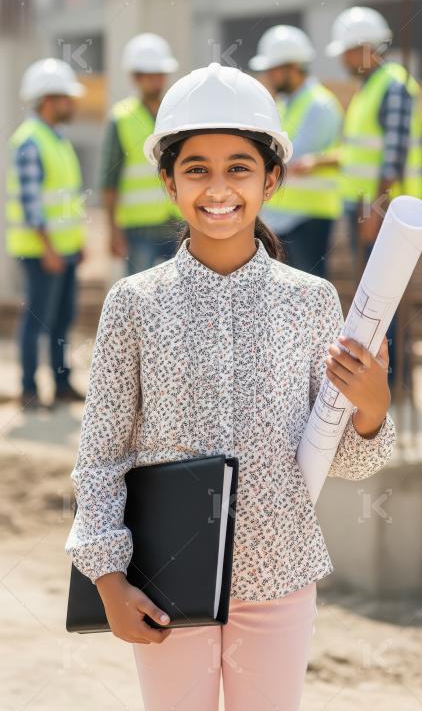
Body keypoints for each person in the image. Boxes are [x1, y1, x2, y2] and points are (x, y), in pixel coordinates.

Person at [65, 62, 396, 711]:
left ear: (271, 179)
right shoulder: (135, 304)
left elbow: (340, 460)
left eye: (239, 168)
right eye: (197, 169)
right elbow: (100, 455)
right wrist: (108, 579)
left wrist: (372, 409)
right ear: (168, 181)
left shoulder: (312, 303)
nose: (219, 188)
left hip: (280, 575)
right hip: (166, 581)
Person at [325, 6, 422, 390]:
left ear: (366, 48)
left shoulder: (393, 86)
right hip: (369, 207)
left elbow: (393, 156)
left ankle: (394, 381)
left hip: (387, 213)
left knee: (384, 298)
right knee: (373, 298)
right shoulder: (370, 89)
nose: (342, 59)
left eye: (347, 51)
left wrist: (377, 210)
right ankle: (386, 380)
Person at [5, 59, 87, 409]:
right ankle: (28, 390)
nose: (73, 103)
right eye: (66, 97)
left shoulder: (58, 140)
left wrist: (76, 243)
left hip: (63, 248)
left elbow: (65, 200)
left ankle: (61, 382)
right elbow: (31, 204)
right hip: (40, 251)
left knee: (62, 319)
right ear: (49, 99)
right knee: (36, 321)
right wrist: (50, 248)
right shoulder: (30, 141)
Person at [248, 25, 343, 279]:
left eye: (272, 70)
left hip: (309, 217)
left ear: (291, 67)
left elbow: (291, 156)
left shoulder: (319, 104)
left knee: (307, 291)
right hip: (281, 218)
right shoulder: (284, 103)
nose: (268, 77)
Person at [99, 32, 183, 275]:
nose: (157, 81)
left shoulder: (176, 114)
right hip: (138, 228)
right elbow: (109, 178)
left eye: (160, 74)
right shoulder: (121, 117)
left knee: (181, 297)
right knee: (140, 299)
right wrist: (112, 229)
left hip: (176, 220)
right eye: (150, 75)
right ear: (136, 77)